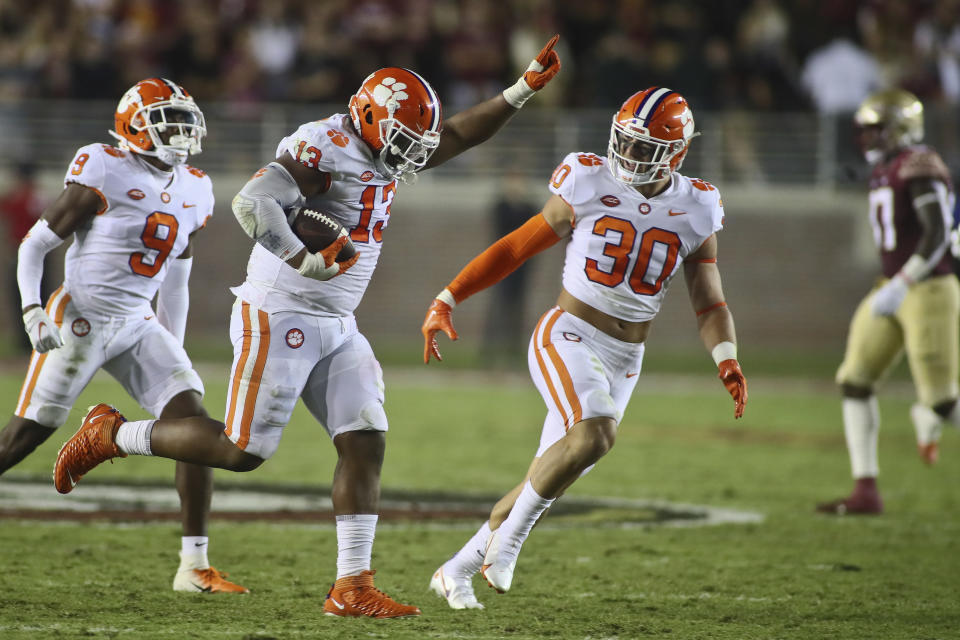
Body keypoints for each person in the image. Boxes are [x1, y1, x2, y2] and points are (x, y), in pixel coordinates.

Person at [54, 37, 563, 619]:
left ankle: (351, 587)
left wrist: (520, 89)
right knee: (243, 451)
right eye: (399, 142)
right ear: (369, 122)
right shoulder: (325, 147)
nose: (408, 157)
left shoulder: (386, 145)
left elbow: (455, 136)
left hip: (337, 320)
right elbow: (253, 203)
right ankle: (112, 435)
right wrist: (301, 256)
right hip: (282, 311)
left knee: (365, 437)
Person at [421, 86, 748, 609]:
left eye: (645, 148)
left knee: (546, 478)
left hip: (626, 359)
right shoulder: (588, 177)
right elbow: (516, 246)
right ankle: (507, 548)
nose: (629, 155)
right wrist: (449, 295)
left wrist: (726, 357)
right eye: (625, 141)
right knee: (596, 433)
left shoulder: (698, 205)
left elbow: (709, 301)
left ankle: (456, 569)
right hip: (568, 333)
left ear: (677, 154)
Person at [2, 78, 247, 593]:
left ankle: (193, 565)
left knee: (194, 430)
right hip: (82, 316)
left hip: (139, 323)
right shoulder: (104, 166)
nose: (180, 131)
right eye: (167, 121)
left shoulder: (196, 186)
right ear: (133, 125)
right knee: (27, 433)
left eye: (184, 120)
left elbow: (176, 280)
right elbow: (33, 246)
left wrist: (172, 342)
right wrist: (31, 309)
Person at [817, 89, 960, 516]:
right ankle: (866, 491)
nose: (865, 138)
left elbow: (936, 233)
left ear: (899, 127)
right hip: (890, 287)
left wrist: (904, 281)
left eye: (874, 129)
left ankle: (930, 416)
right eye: (863, 129)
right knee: (854, 381)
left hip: (928, 288)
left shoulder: (919, 164)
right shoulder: (883, 168)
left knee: (943, 402)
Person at [0, 163, 51, 353]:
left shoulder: (20, 196)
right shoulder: (38, 195)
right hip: (38, 252)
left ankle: (26, 339)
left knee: (21, 295)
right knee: (37, 293)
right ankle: (33, 337)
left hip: (24, 250)